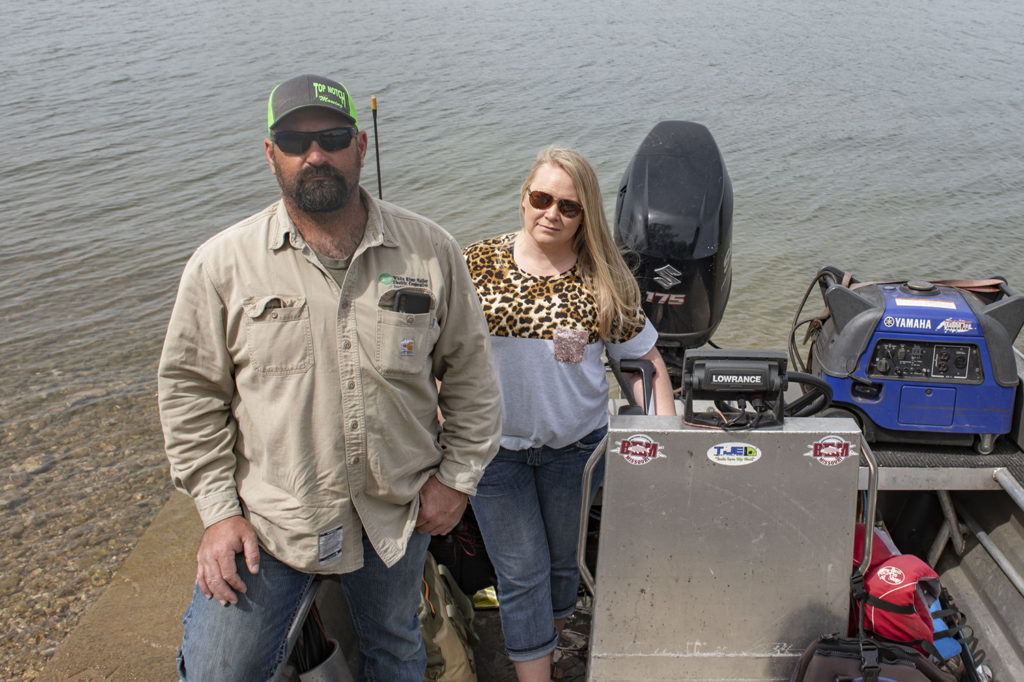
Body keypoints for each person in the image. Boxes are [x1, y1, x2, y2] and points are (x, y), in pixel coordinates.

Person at [157, 73, 501, 682]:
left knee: (396, 650)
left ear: (360, 146)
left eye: (333, 136)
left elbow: (473, 377)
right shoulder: (221, 264)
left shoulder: (431, 250)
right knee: (220, 670)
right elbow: (190, 396)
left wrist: (457, 480)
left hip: (394, 516)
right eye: (294, 140)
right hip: (271, 520)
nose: (314, 154)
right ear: (271, 154)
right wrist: (218, 512)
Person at [462, 146, 676, 681]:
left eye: (568, 206)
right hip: (493, 454)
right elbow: (439, 353)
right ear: (523, 199)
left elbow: (641, 363)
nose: (551, 214)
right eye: (541, 199)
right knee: (521, 571)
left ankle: (545, 637)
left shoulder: (606, 279)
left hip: (576, 452)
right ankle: (537, 669)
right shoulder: (475, 265)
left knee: (562, 564)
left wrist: (665, 437)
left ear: (587, 215)